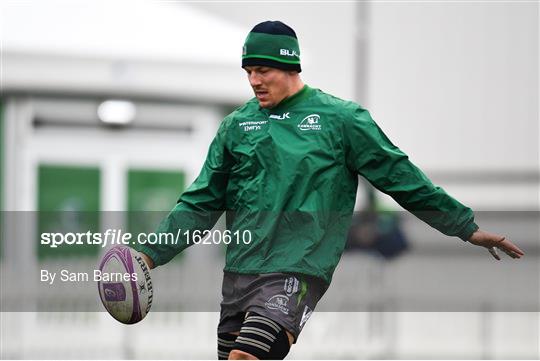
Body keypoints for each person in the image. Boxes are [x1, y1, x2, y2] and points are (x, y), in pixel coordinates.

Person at [138, 21, 524, 360]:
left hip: (297, 268)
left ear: (291, 66)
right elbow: (201, 202)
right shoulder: (236, 126)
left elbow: (399, 176)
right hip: (240, 273)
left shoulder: (340, 120)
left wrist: (464, 226)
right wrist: (149, 256)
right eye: (248, 71)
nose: (254, 80)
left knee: (246, 357)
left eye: (262, 70)